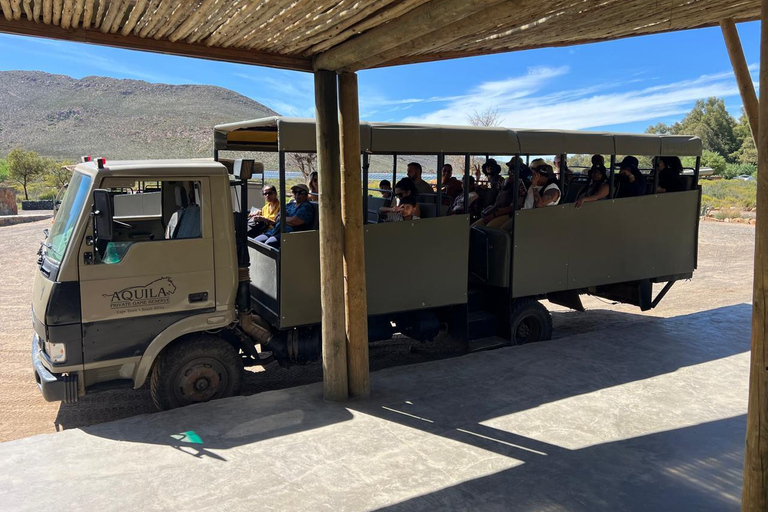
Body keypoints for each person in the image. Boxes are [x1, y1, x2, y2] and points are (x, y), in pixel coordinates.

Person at [254, 184, 314, 248]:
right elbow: (277, 217)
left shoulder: (306, 207)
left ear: (306, 194)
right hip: (276, 230)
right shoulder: (290, 205)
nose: (297, 194)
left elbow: (295, 221)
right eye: (294, 192)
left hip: (290, 234)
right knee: (256, 241)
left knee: (269, 244)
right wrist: (285, 219)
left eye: (300, 192)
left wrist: (282, 218)